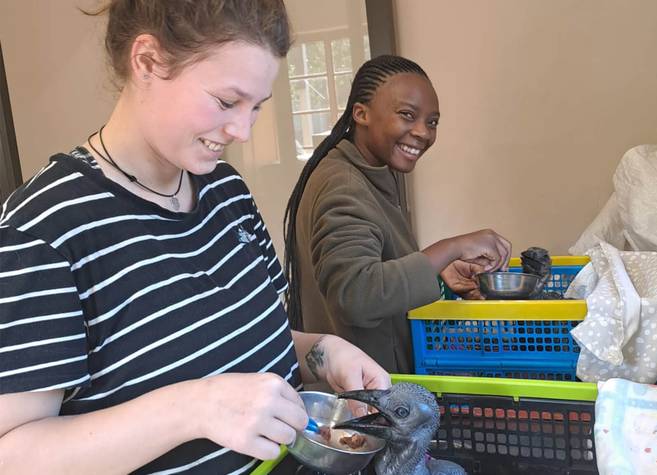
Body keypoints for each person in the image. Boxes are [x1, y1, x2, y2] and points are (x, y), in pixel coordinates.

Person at [0, 1, 389, 474]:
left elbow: (249, 342)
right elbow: (14, 455)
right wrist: (193, 408)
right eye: (227, 102)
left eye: (256, 107)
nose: (242, 130)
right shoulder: (44, 230)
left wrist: (323, 352)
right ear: (146, 61)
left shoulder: (225, 190)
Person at [283, 55, 512, 374]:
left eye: (432, 122)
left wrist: (438, 269)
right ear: (360, 114)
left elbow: (375, 264)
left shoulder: (372, 171)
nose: (423, 132)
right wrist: (451, 248)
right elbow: (357, 296)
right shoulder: (344, 184)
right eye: (407, 115)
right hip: (362, 398)